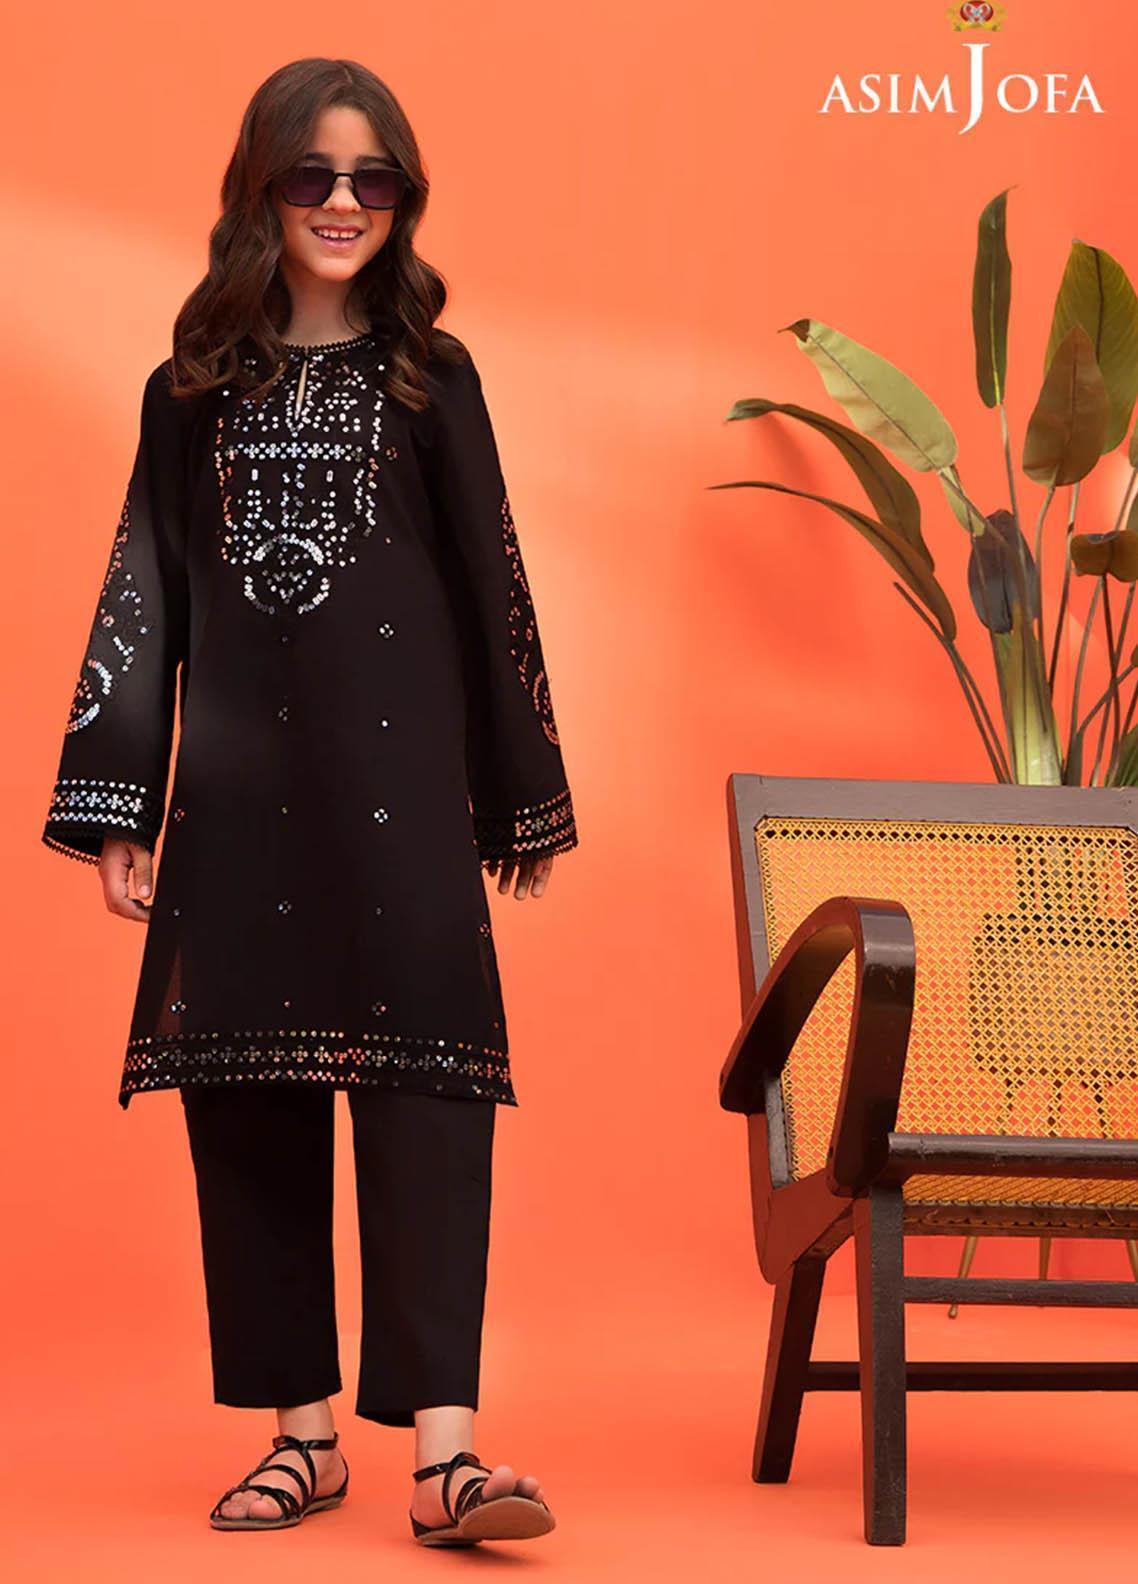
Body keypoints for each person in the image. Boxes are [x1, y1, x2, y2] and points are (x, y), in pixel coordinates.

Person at [40, 56, 578, 1547]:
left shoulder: (433, 379)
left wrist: (519, 794)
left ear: (402, 199)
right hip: (236, 797)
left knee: (430, 1093)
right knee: (249, 1102)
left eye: (372, 179)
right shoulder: (188, 392)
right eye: (312, 176)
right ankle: (302, 1437)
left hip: (401, 791)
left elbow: (493, 583)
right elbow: (147, 588)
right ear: (260, 189)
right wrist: (119, 797)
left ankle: (447, 1456)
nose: (344, 202)